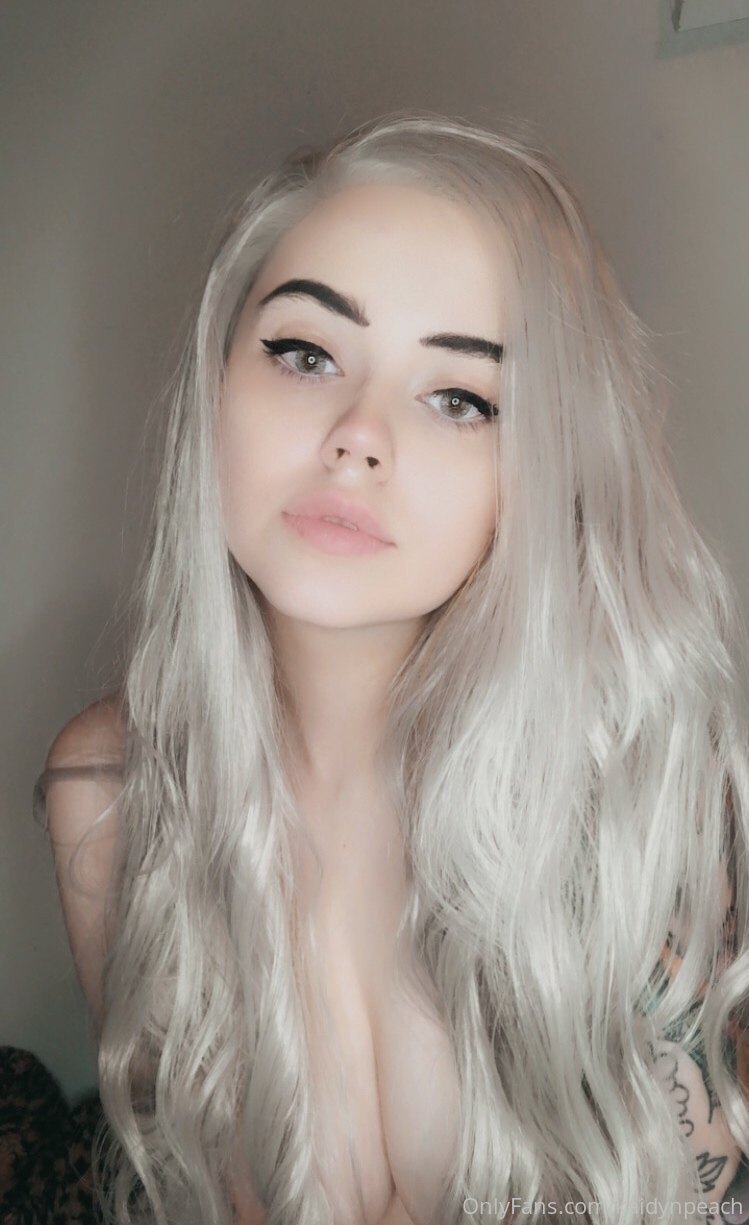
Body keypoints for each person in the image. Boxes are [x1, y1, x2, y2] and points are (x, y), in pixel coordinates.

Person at [34, 111, 749, 1225]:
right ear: (215, 384)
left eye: (460, 398)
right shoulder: (108, 794)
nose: (359, 436)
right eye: (305, 353)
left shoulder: (634, 786)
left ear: (539, 470)